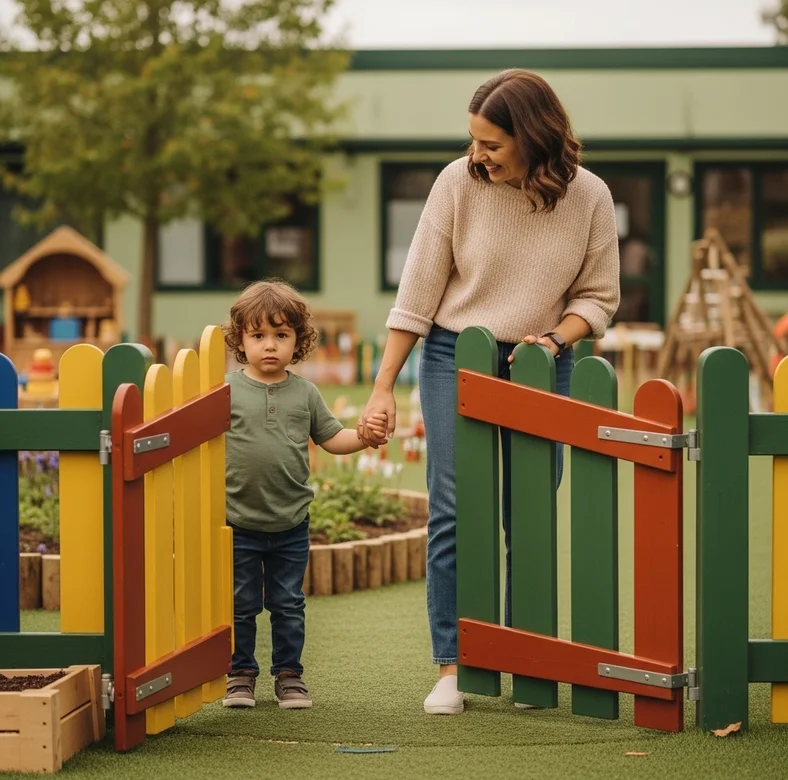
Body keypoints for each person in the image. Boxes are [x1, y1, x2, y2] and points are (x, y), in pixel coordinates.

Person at [359, 69, 621, 715]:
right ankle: (453, 666)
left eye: (492, 145)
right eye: (473, 141)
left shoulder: (589, 197)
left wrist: (556, 341)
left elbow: (599, 296)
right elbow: (418, 290)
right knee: (454, 509)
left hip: (543, 361)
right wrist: (383, 385)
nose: (477, 155)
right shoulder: (457, 183)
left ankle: (525, 658)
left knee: (528, 510)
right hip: (455, 355)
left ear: (534, 139)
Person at [221, 278, 387, 709]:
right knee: (240, 605)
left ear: (299, 339)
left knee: (288, 605)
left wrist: (365, 438)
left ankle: (289, 675)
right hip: (238, 520)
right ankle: (240, 674)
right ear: (241, 340)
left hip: (291, 522)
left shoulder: (305, 393)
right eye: (258, 336)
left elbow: (332, 438)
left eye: (281, 335)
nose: (270, 345)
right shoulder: (226, 391)